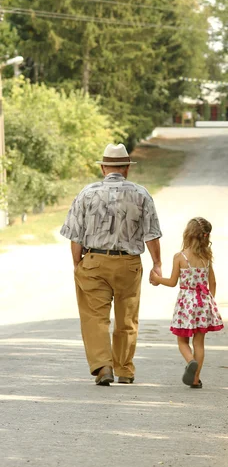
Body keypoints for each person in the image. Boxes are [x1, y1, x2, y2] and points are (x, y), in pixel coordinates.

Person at [60, 143, 162, 386]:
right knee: (127, 318)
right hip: (128, 264)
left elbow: (76, 237)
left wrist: (78, 265)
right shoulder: (141, 194)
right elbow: (151, 234)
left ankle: (103, 366)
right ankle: (124, 369)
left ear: (104, 168)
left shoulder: (87, 193)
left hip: (94, 262)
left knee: (95, 317)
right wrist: (157, 264)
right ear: (127, 168)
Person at [150, 217, 223, 388]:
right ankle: (196, 379)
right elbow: (213, 283)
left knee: (182, 341)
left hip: (186, 304)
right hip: (203, 302)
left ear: (188, 234)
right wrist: (209, 302)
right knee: (199, 343)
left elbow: (173, 282)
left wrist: (158, 279)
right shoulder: (207, 257)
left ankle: (190, 361)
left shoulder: (180, 257)